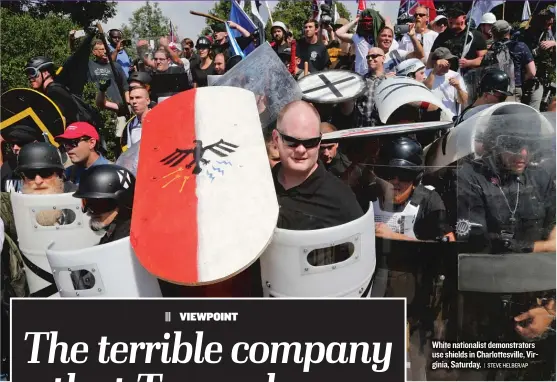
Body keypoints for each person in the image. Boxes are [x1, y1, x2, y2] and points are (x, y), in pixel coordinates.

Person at [271, 101, 363, 230]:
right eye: (291, 141)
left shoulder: (340, 199)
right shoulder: (260, 185)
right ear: (276, 139)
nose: (301, 150)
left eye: (310, 142)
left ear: (319, 142)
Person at [72, 164, 136, 244]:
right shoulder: (113, 232)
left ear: (124, 201)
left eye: (98, 204)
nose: (90, 212)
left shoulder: (129, 241)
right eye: (86, 203)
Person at [491, 20, 540, 108]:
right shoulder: (520, 46)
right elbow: (532, 72)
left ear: (493, 34)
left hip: (494, 91)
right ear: (509, 31)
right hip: (513, 89)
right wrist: (521, 79)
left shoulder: (491, 49)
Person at [429, 7, 487, 74]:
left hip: (467, 77)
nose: (450, 18)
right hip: (445, 77)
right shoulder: (442, 36)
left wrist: (469, 63)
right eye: (448, 15)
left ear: (464, 18)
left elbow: (483, 58)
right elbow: (431, 58)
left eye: (454, 15)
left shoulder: (475, 35)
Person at [25, 56, 81, 125]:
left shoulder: (54, 91)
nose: (30, 77)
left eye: (32, 72)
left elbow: (59, 121)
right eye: (28, 74)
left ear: (45, 73)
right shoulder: (51, 91)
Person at [0, 125, 46, 193]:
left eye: (20, 143)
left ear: (35, 144)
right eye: (12, 144)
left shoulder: (47, 168)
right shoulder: (7, 167)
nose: (15, 148)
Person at [424, 47, 468, 117]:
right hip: (430, 119)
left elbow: (463, 101)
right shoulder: (425, 74)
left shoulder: (455, 75)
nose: (448, 64)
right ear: (436, 62)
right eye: (445, 61)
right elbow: (424, 90)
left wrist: (458, 88)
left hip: (450, 119)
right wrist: (434, 71)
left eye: (450, 61)